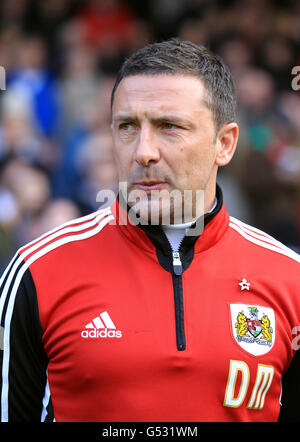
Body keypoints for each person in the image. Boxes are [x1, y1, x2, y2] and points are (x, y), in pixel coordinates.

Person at [0, 38, 299, 422]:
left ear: (224, 144)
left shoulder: (289, 278)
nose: (143, 151)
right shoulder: (36, 271)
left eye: (169, 126)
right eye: (127, 126)